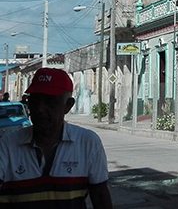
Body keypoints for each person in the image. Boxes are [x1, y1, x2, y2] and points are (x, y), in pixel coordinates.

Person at [0, 68, 113, 208]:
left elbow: (100, 196)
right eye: (35, 101)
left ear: (68, 105)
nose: (40, 109)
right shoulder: (7, 145)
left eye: (49, 101)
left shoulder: (87, 142)